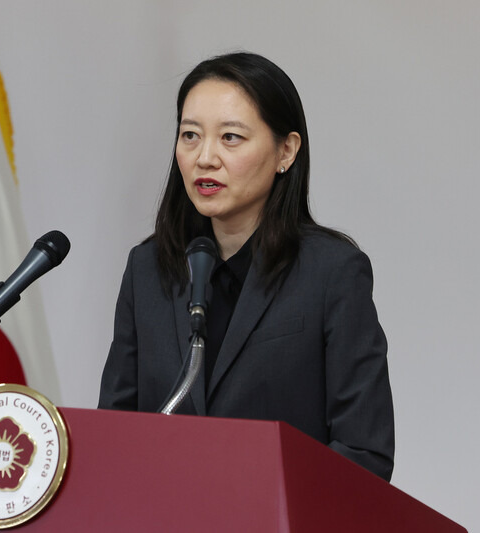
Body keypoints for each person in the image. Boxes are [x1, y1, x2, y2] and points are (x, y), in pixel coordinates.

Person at [98, 52, 394, 481]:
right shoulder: (148, 269)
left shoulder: (332, 273)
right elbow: (114, 434)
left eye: (230, 137)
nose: (205, 157)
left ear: (286, 151)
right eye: (190, 135)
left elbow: (364, 452)